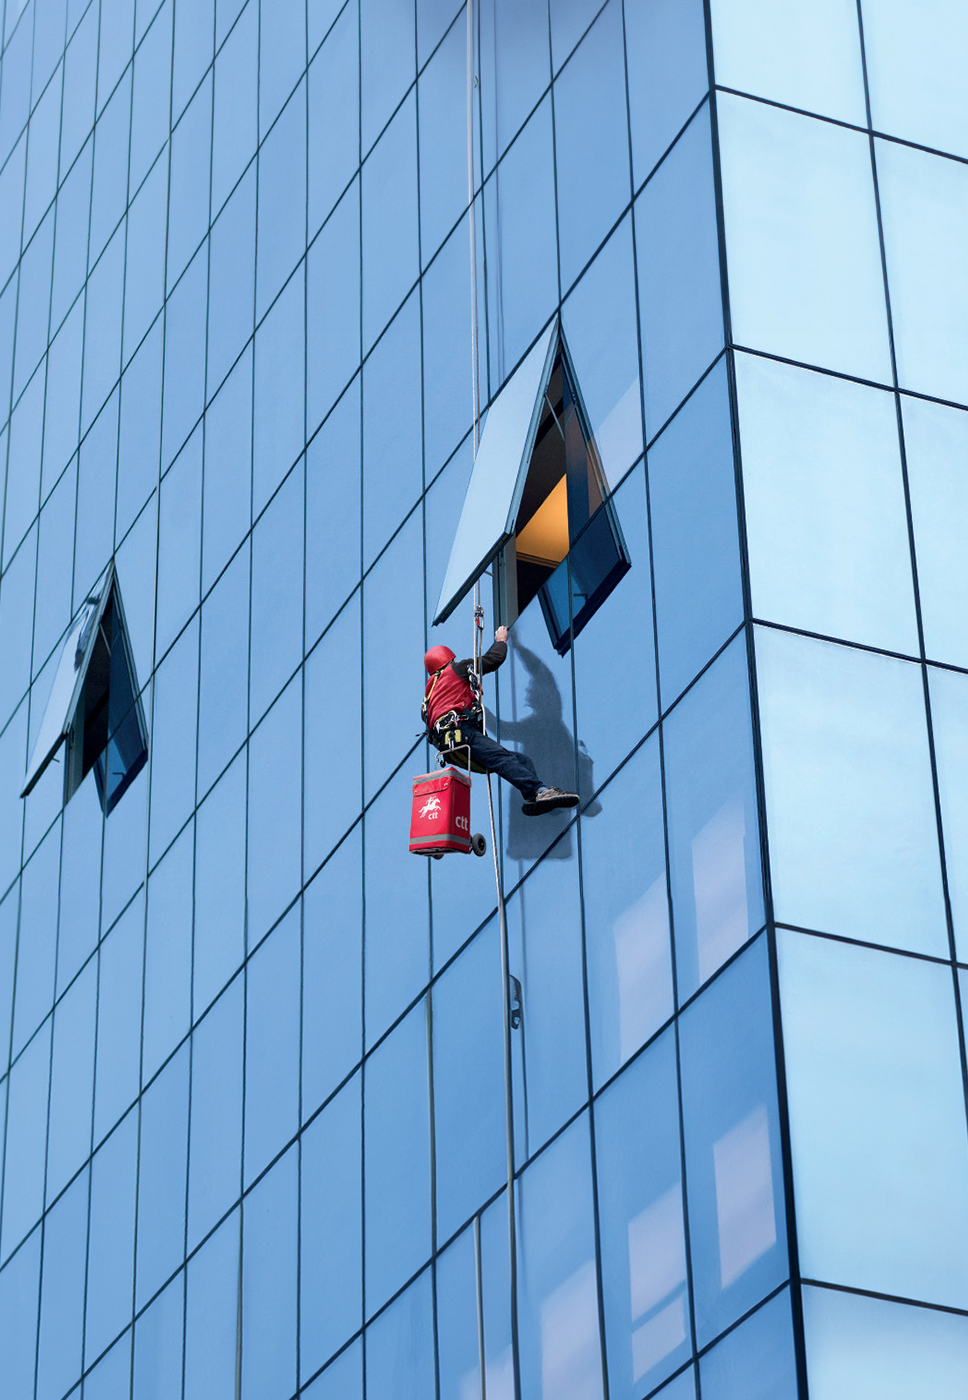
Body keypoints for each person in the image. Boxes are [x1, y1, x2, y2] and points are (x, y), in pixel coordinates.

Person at [422, 626, 579, 816]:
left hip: (450, 746)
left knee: (521, 760)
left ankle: (533, 795)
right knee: (502, 759)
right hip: (463, 732)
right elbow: (493, 660)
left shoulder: (429, 696)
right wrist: (501, 641)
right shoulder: (456, 669)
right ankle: (540, 792)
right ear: (449, 660)